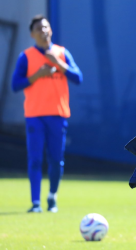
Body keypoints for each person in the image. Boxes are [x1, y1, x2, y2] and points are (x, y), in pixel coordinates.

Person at [11, 15, 83, 213]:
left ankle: (52, 197)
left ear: (50, 30)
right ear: (32, 34)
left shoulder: (62, 53)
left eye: (46, 27)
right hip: (35, 115)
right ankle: (35, 203)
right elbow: (15, 85)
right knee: (35, 159)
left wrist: (59, 64)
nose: (44, 31)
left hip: (58, 116)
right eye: (39, 28)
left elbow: (78, 78)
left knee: (56, 160)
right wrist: (37, 75)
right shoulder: (26, 56)